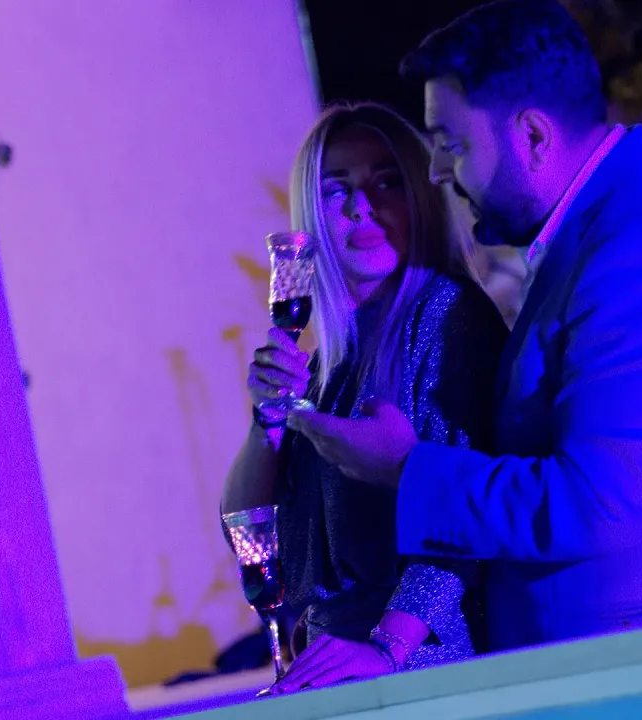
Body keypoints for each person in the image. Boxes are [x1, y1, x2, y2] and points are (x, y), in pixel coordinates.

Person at [288, 0, 642, 653]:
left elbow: (597, 501)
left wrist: (407, 468)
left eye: (452, 144)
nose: (438, 171)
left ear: (532, 137)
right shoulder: (601, 235)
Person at [220, 102, 507, 691]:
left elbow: (462, 510)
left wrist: (387, 647)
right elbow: (247, 534)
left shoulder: (449, 316)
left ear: (421, 195)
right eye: (337, 189)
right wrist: (265, 421)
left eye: (387, 182)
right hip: (340, 661)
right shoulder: (327, 362)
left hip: (427, 664)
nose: (362, 206)